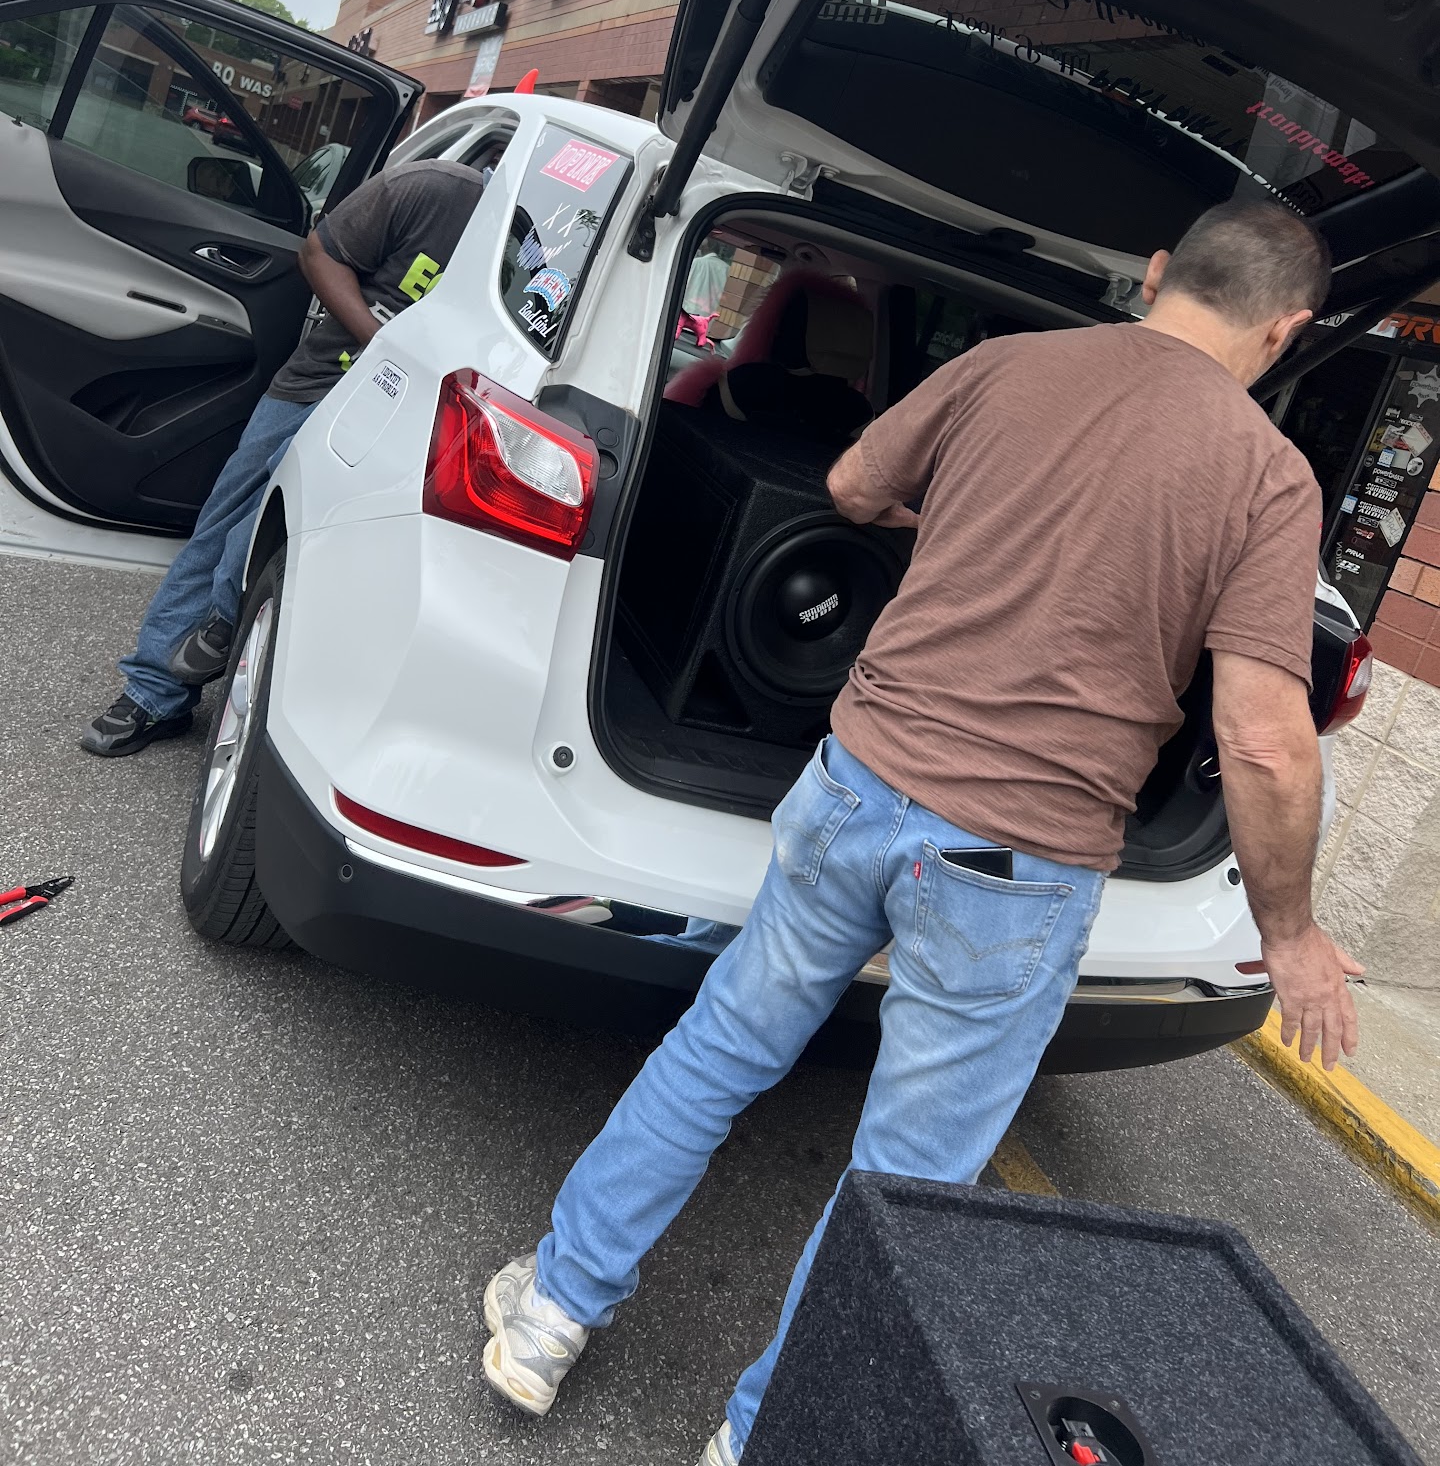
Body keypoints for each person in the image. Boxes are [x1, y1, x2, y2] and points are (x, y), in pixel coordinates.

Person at [479, 201, 1365, 1466]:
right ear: (1287, 331)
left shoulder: (1008, 365)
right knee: (906, 1182)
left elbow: (851, 486)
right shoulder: (1268, 478)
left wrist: (951, 522)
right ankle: (762, 1438)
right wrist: (1290, 933)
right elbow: (1266, 739)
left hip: (857, 783)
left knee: (720, 1048)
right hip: (1018, 861)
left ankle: (551, 1314)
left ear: (1160, 271)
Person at [82, 157, 487, 757]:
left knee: (309, 534)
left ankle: (231, 621)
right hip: (322, 381)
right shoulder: (433, 189)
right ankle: (154, 693)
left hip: (426, 419)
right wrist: (384, 345)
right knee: (227, 519)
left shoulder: (540, 255)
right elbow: (318, 253)